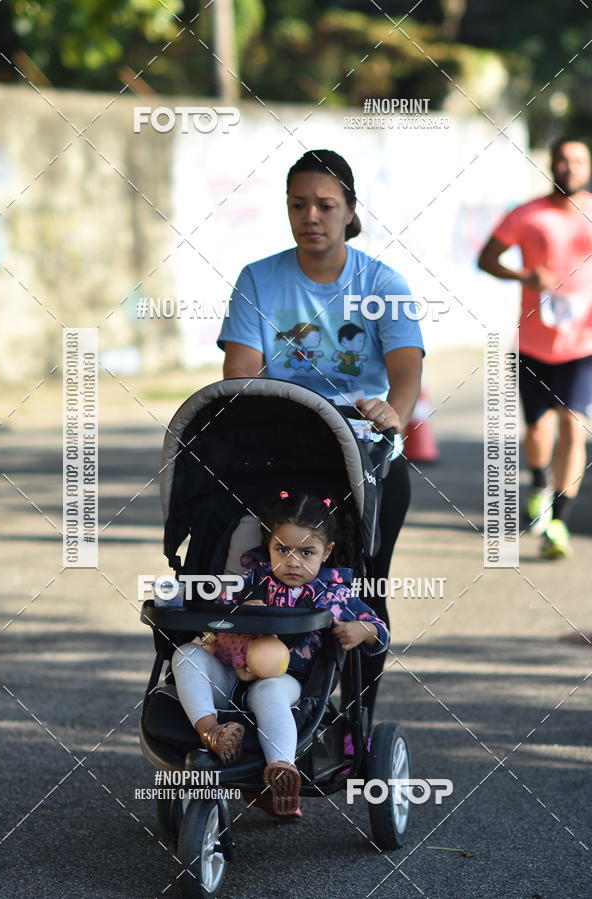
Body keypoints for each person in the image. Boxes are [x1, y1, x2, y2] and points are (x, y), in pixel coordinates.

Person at [217, 148, 424, 724]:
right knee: (259, 575)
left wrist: (394, 413)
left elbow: (406, 366)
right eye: (298, 204)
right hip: (281, 447)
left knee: (364, 589)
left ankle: (354, 722)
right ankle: (259, 705)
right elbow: (241, 374)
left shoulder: (382, 281)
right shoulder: (259, 279)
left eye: (326, 205)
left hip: (362, 451)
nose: (312, 215)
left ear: (350, 210)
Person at [172, 491, 390, 816]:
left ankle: (281, 768)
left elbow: (380, 630)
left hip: (287, 679)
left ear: (326, 552)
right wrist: (239, 607)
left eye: (306, 552)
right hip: (231, 672)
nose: (293, 562)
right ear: (268, 546)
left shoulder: (330, 593)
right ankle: (211, 730)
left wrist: (364, 630)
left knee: (269, 690)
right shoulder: (253, 578)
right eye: (282, 550)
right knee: (186, 655)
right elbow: (215, 607)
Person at [478, 138, 592, 559]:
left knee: (573, 424)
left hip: (584, 343)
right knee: (539, 430)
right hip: (534, 344)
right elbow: (487, 258)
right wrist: (525, 274)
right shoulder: (527, 215)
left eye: (578, 160)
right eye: (562, 159)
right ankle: (540, 482)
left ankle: (559, 521)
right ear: (552, 164)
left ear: (587, 166)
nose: (569, 166)